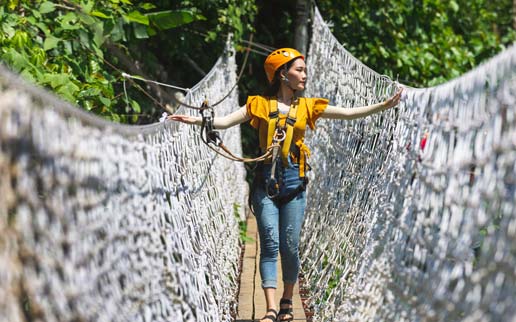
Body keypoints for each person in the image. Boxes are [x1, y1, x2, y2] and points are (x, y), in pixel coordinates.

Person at [168, 48, 402, 322]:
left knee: (289, 245)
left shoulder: (308, 106)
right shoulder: (258, 104)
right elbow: (224, 122)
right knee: (269, 242)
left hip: (294, 182)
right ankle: (269, 309)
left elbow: (348, 113)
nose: (304, 75)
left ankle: (287, 300)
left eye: (304, 70)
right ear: (283, 74)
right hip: (265, 182)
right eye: (299, 70)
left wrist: (383, 106)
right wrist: (195, 119)